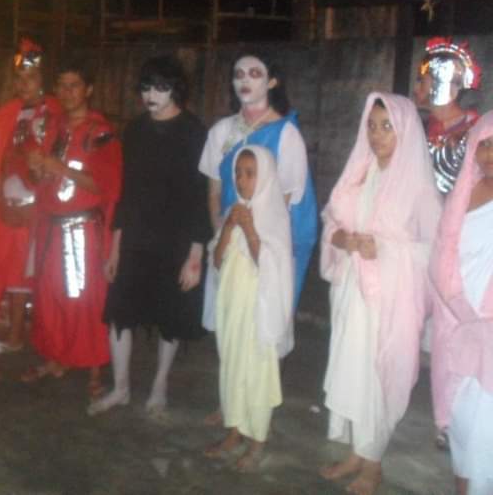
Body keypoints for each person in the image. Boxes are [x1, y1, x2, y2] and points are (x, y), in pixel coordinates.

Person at [319, 93, 442, 495]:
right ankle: (357, 453)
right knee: (353, 372)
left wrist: (385, 250)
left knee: (378, 378)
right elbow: (332, 220)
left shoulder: (418, 187)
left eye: (387, 126)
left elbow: (436, 251)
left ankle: (373, 465)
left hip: (390, 302)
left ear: (405, 130)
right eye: (371, 126)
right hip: (353, 292)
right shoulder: (359, 173)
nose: (377, 135)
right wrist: (342, 239)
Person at [88, 55, 209, 417]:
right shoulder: (136, 130)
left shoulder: (193, 132)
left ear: (176, 89)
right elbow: (127, 191)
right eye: (146, 87)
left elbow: (199, 196)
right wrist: (115, 247)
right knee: (119, 311)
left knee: (170, 315)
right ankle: (121, 388)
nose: (151, 95)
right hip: (137, 235)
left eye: (160, 87)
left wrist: (195, 255)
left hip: (176, 238)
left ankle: (159, 386)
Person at [21, 59, 122, 396]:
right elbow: (40, 180)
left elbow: (105, 186)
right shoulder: (51, 126)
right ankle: (56, 357)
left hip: (82, 230)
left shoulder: (100, 132)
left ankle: (94, 366)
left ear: (88, 90)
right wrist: (37, 169)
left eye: (74, 85)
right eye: (61, 86)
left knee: (86, 299)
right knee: (49, 295)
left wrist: (60, 168)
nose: (67, 92)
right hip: (50, 226)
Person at [199, 53, 316, 331]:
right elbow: (214, 192)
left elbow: (285, 202)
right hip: (230, 236)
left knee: (264, 325)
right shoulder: (221, 131)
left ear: (271, 81)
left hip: (269, 243)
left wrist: (257, 244)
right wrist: (222, 235)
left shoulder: (286, 135)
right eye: (238, 74)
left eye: (254, 74)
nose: (245, 81)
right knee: (231, 322)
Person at [203, 145, 293, 472]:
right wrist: (229, 227)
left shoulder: (274, 218)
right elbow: (216, 261)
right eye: (238, 174)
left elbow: (271, 268)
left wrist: (251, 229)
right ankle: (233, 432)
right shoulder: (233, 211)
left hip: (259, 312)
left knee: (257, 374)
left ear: (265, 177)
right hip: (232, 308)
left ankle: (257, 443)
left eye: (250, 174)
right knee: (231, 367)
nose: (242, 180)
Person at [0, 39, 62, 355]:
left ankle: (37, 337)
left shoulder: (57, 113)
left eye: (31, 77)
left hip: (40, 207)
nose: (23, 84)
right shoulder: (6, 113)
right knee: (11, 271)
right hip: (10, 205)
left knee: (40, 274)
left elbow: (59, 166)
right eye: (19, 78)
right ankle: (15, 332)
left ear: (45, 78)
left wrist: (38, 207)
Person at [430, 111, 493, 495]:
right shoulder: (464, 192)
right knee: (462, 424)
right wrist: (461, 308)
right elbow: (443, 254)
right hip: (457, 320)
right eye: (484, 145)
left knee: (486, 428)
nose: (490, 154)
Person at [413, 37, 481, 195]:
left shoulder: (476, 130)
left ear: (441, 81)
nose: (415, 88)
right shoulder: (417, 126)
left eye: (421, 80)